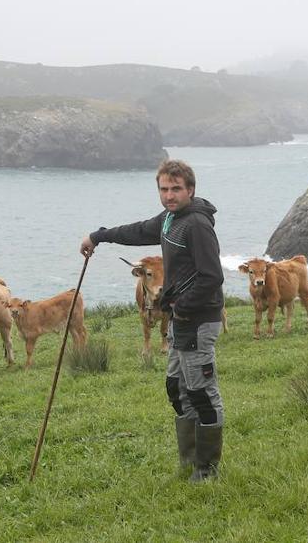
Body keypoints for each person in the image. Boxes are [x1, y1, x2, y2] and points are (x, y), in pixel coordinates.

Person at [80, 159, 226, 480]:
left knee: (201, 392)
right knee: (177, 388)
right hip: (180, 321)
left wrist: (182, 307)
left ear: (190, 189)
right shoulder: (168, 220)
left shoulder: (197, 225)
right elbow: (138, 230)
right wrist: (100, 236)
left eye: (176, 189)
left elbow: (212, 277)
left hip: (198, 321)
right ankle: (190, 463)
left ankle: (208, 469)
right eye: (164, 189)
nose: (170, 195)